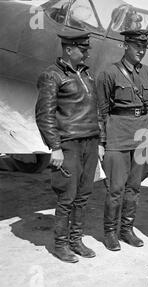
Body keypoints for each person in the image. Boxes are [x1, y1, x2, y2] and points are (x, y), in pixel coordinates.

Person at [35, 30, 100, 263]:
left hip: (90, 142)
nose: (86, 54)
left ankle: (76, 240)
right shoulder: (52, 76)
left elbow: (96, 110)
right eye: (82, 50)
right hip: (69, 144)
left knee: (83, 195)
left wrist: (99, 142)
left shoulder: (87, 74)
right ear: (68, 49)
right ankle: (60, 244)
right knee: (67, 196)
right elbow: (44, 115)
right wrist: (55, 147)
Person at [96, 29, 148, 251]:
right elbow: (102, 110)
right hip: (118, 136)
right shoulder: (109, 73)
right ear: (125, 46)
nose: (141, 50)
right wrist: (102, 142)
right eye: (136, 46)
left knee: (134, 187)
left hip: (141, 136)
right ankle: (110, 232)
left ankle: (126, 229)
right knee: (115, 188)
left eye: (144, 47)